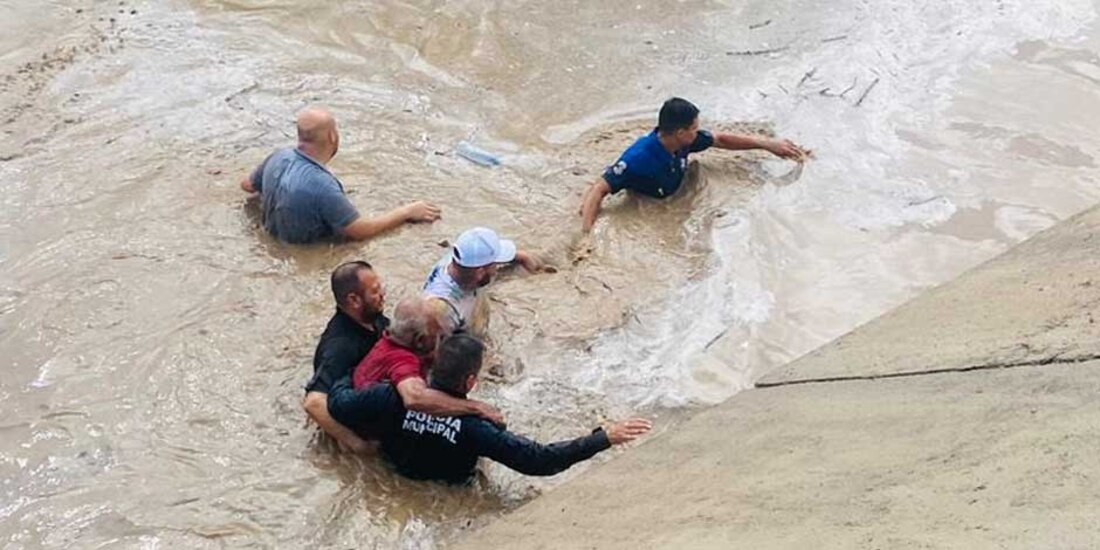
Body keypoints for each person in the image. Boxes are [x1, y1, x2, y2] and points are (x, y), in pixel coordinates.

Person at [331, 334, 652, 483]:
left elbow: (338, 404)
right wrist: (604, 437)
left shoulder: (391, 396)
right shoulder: (477, 428)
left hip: (396, 475)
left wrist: (342, 370)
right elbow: (540, 461)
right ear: (470, 381)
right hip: (454, 488)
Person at [579, 97, 811, 232]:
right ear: (680, 132)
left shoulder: (685, 141)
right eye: (694, 128)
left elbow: (720, 140)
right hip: (650, 200)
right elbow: (599, 188)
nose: (698, 132)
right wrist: (586, 234)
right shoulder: (638, 159)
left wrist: (766, 144)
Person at [240, 107, 442, 244]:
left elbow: (248, 185)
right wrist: (406, 211)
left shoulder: (278, 156)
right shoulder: (322, 185)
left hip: (272, 238)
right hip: (305, 250)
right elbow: (360, 231)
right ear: (332, 136)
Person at [347, 296, 504, 426]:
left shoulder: (391, 341)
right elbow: (414, 399)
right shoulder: (403, 361)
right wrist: (476, 407)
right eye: (437, 336)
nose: (440, 341)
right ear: (420, 340)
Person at [302, 261, 390, 453]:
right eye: (375, 291)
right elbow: (313, 403)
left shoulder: (372, 318)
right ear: (354, 300)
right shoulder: (341, 346)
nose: (383, 294)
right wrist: (358, 445)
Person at [422, 227, 541, 334]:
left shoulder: (459, 259)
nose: (495, 270)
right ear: (480, 272)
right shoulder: (441, 311)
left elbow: (510, 257)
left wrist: (523, 258)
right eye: (494, 265)